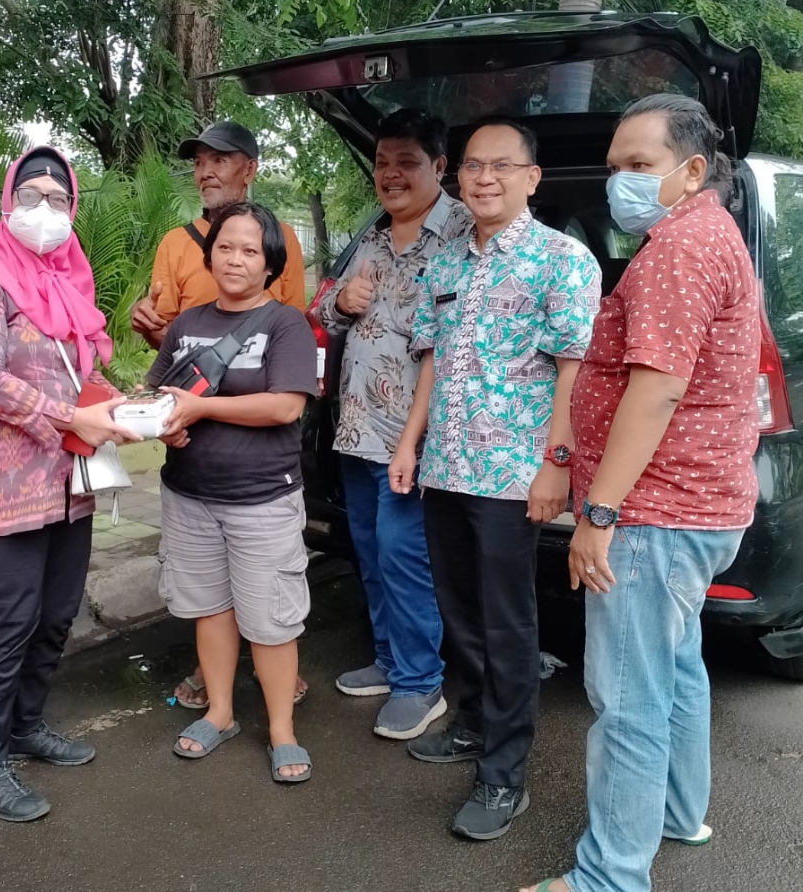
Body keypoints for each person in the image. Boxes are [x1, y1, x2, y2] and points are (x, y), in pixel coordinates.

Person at [522, 95, 759, 892]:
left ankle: (610, 878)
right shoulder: (709, 235)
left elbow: (654, 393)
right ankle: (678, 814)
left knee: (627, 699)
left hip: (656, 513)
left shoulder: (676, 251)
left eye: (639, 166)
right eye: (615, 165)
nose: (619, 181)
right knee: (677, 667)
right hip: (703, 504)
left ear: (691, 171)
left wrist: (599, 514)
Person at [392, 117, 601, 840]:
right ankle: (475, 722)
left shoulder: (562, 261)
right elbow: (430, 362)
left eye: (502, 166)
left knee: (509, 624)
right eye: (473, 166)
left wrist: (557, 466)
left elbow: (575, 371)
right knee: (460, 611)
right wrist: (409, 445)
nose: (484, 178)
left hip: (515, 475)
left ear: (531, 178)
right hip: (447, 467)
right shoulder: (443, 263)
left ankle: (504, 774)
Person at [0, 147, 141, 823]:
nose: (47, 210)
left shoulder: (67, 279)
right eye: (31, 195)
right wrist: (69, 416)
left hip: (69, 485)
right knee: (8, 624)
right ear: (8, 201)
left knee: (56, 617)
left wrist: (129, 409)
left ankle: (27, 727)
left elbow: (74, 372)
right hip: (3, 490)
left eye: (60, 199)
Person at [131, 120, 309, 710]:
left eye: (221, 159)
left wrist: (200, 403)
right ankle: (219, 701)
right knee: (208, 598)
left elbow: (287, 385)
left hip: (258, 479)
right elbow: (164, 357)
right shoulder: (176, 255)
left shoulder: (282, 297)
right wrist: (156, 412)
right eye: (199, 160)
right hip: (190, 470)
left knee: (268, 607)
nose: (206, 170)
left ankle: (278, 709)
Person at [146, 203, 318, 782]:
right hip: (189, 493)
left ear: (270, 263)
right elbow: (161, 397)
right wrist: (162, 420)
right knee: (210, 610)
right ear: (210, 254)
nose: (236, 259)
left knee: (270, 620)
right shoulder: (187, 322)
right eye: (226, 247)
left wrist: (201, 406)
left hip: (262, 498)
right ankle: (219, 714)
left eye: (250, 250)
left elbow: (285, 404)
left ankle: (281, 731)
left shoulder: (285, 323)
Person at [316, 108, 470, 740]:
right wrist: (340, 303)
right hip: (357, 430)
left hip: (418, 439)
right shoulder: (373, 237)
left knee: (405, 555)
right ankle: (388, 658)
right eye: (382, 162)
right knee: (372, 551)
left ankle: (420, 682)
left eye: (406, 161)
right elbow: (321, 312)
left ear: (438, 166)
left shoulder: (464, 233)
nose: (390, 174)